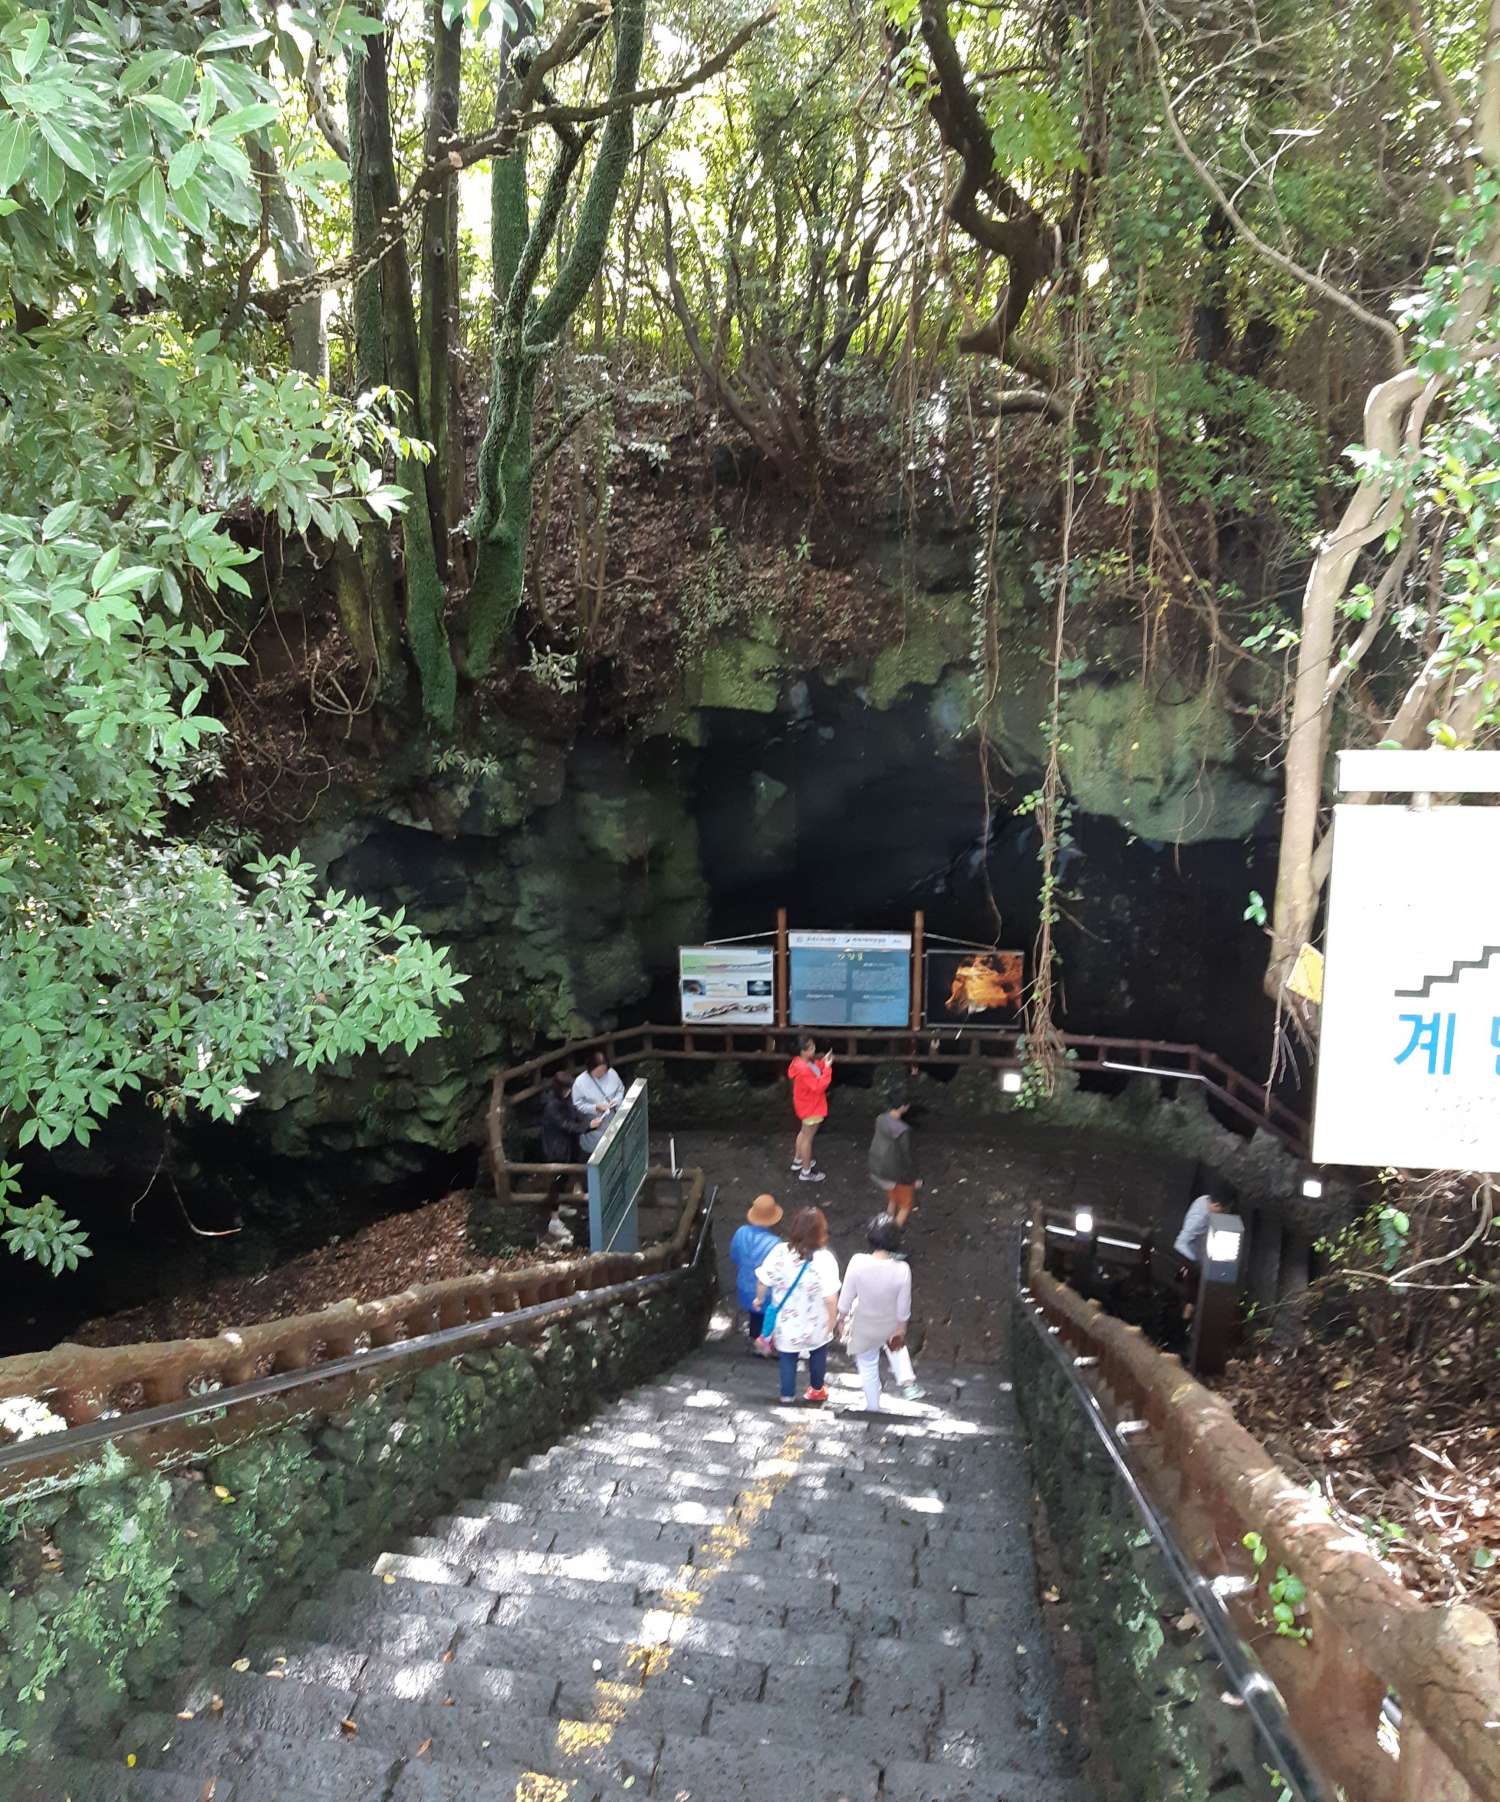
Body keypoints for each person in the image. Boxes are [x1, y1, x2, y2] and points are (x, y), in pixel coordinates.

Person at [754, 1206, 839, 1405]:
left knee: (788, 1358)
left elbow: (763, 1280)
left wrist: (759, 1299)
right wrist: (832, 1320)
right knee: (818, 1353)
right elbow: (830, 1298)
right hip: (816, 1320)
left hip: (787, 1322)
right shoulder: (825, 1259)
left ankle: (787, 1396)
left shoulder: (780, 1252)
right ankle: (817, 1389)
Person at [838, 1214, 925, 1410]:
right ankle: (907, 1382)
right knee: (896, 1347)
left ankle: (873, 1407)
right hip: (889, 1320)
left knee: (868, 1367)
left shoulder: (857, 1262)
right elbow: (903, 1305)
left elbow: (846, 1296)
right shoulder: (902, 1269)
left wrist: (841, 1318)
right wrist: (901, 1327)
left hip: (862, 1323)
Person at [729, 1194, 783, 1352]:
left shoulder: (741, 1232)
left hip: (744, 1289)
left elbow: (734, 1256)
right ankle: (766, 1344)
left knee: (755, 1315)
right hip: (766, 1295)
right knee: (768, 1315)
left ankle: (754, 1339)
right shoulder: (776, 1243)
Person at [868, 1094, 920, 1227]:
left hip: (879, 1167)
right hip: (896, 1174)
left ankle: (886, 1222)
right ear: (903, 1107)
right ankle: (891, 1234)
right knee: (905, 1206)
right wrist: (913, 1179)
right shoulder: (903, 1130)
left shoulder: (880, 1119)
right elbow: (907, 1158)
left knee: (893, 1198)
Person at [787, 1037, 834, 1183]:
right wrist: (827, 1068)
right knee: (808, 1139)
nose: (814, 1049)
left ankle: (798, 1160)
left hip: (804, 1105)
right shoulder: (804, 1069)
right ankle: (806, 1172)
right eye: (811, 1048)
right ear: (803, 1051)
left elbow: (815, 1069)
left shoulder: (799, 1062)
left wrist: (823, 1063)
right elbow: (819, 1086)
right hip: (812, 1107)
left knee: (803, 1133)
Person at [572, 1051, 626, 1154]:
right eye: (598, 1071)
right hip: (595, 1125)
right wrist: (595, 1107)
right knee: (597, 1152)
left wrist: (616, 1101)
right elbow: (578, 1105)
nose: (601, 1074)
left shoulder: (612, 1073)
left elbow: (620, 1089)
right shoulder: (580, 1082)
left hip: (613, 1119)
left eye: (604, 1071)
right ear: (590, 1068)